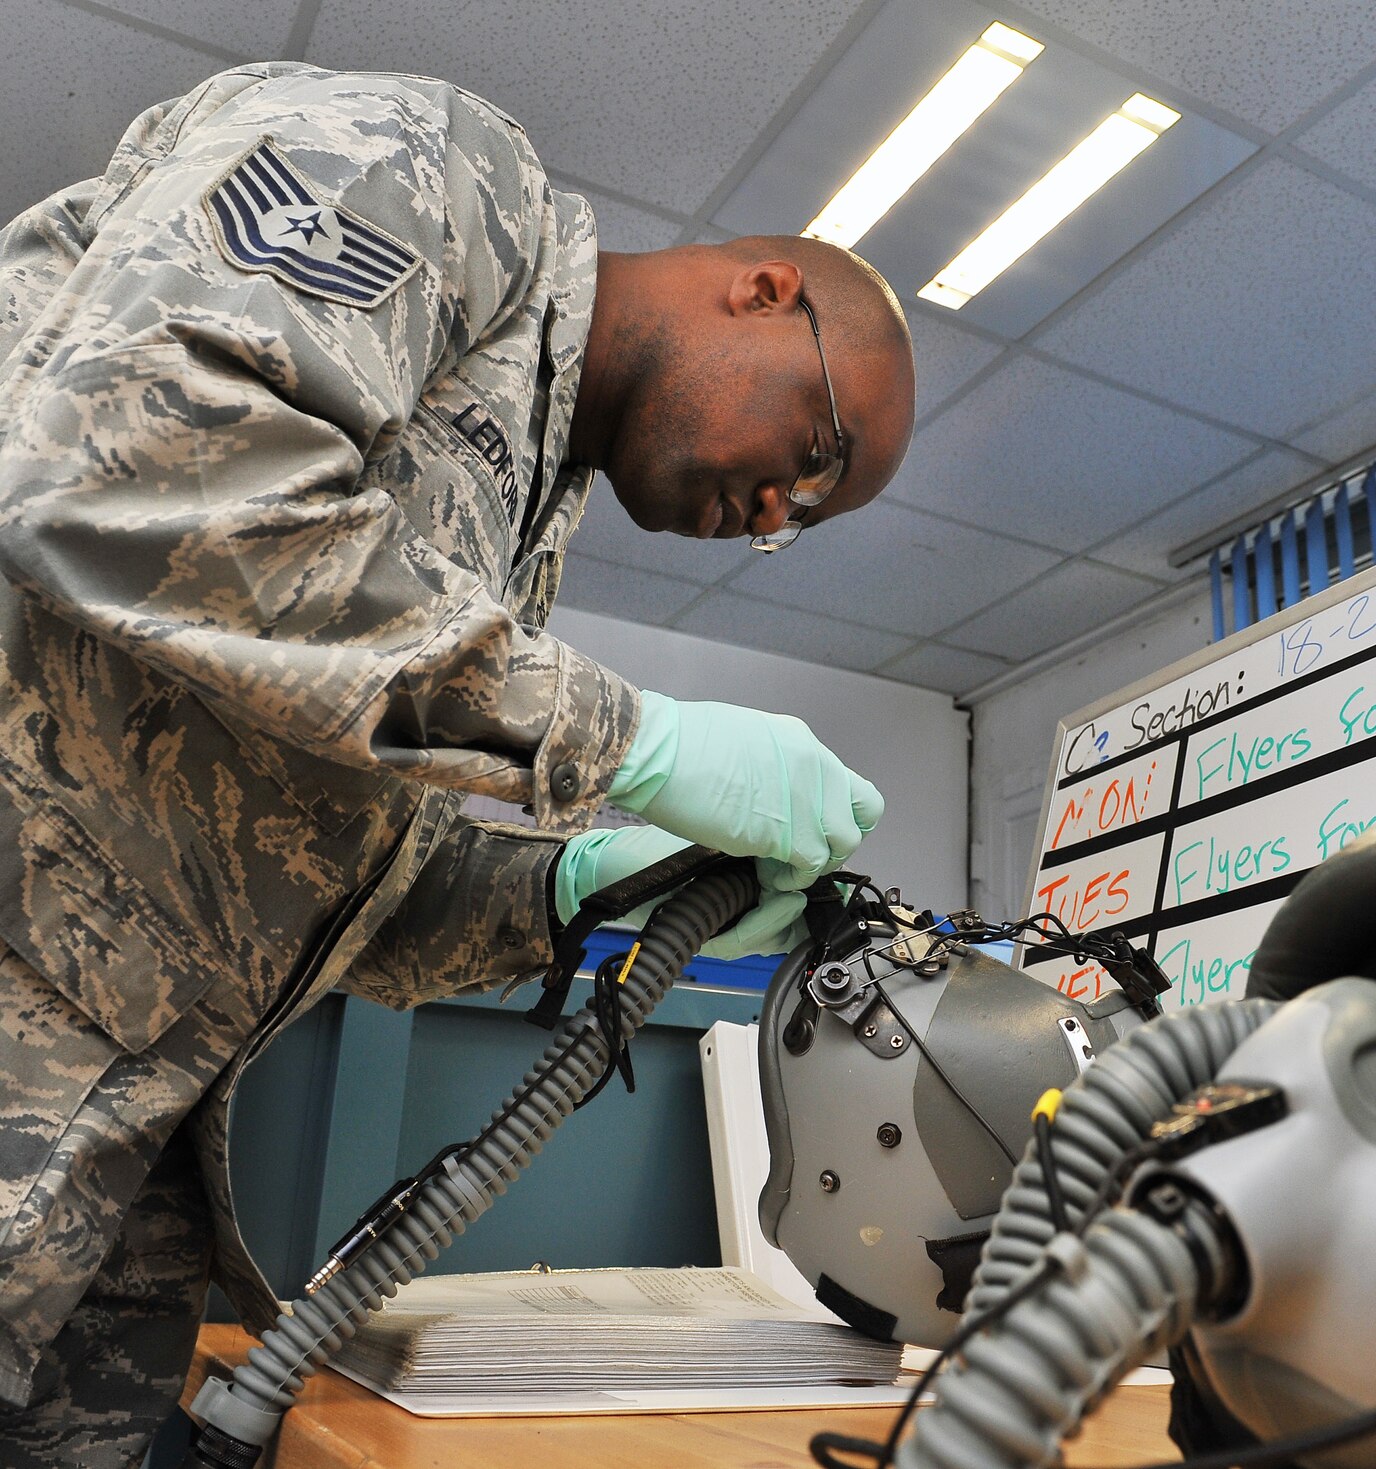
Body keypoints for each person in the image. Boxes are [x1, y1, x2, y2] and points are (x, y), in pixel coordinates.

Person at [0, 61, 916, 1466]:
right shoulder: (444, 171)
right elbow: (126, 454)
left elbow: (317, 881)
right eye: (816, 447)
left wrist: (580, 888)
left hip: (102, 1171)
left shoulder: (522, 525)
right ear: (765, 291)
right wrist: (636, 739)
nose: (777, 509)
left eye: (804, 518)